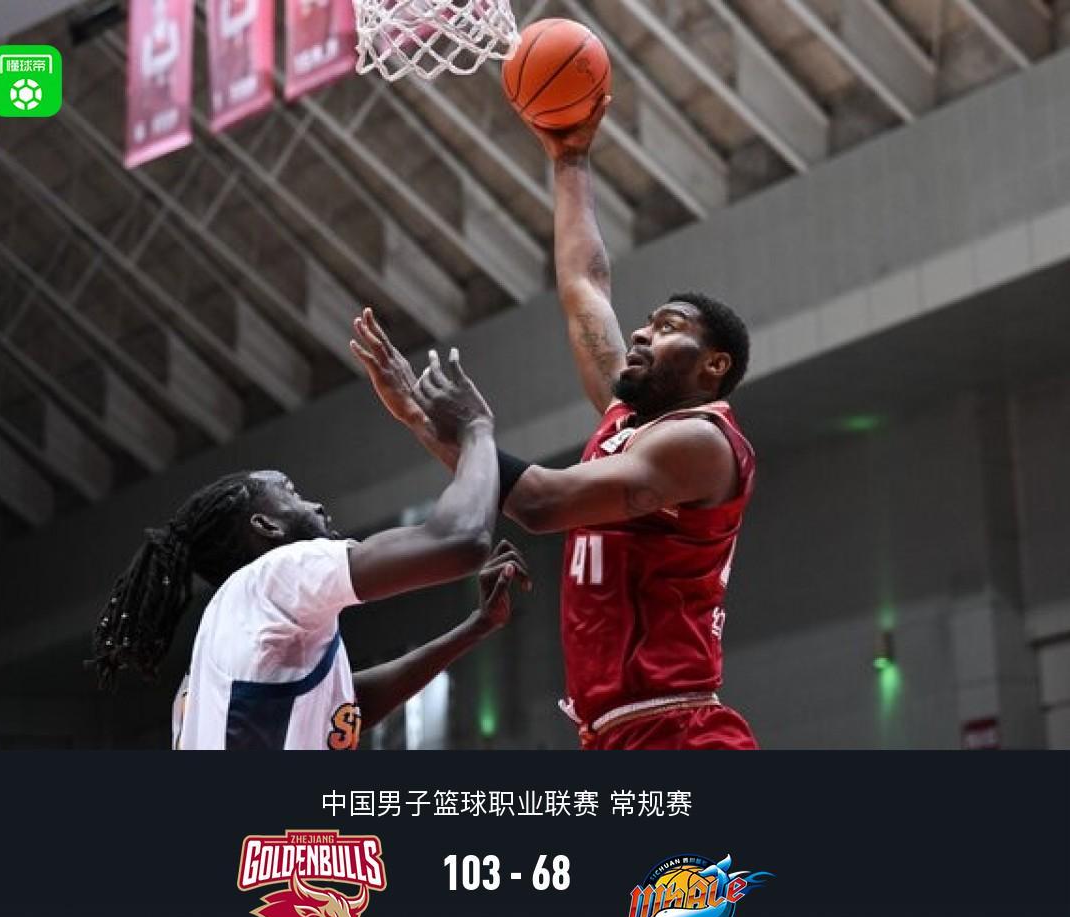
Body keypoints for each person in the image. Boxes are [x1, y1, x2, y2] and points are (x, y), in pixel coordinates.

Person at [351, 97, 756, 751]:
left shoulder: (701, 443)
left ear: (714, 365)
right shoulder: (628, 422)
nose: (642, 333)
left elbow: (540, 504)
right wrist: (570, 159)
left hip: (680, 732)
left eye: (669, 328)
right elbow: (584, 284)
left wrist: (473, 431)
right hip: (616, 734)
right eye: (647, 322)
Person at [90, 342, 529, 750]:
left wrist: (474, 628)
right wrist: (476, 429)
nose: (316, 505)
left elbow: (347, 708)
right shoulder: (278, 573)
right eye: (291, 493)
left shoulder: (213, 659)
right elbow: (460, 540)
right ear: (266, 525)